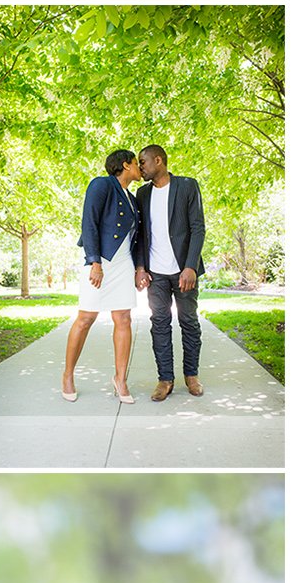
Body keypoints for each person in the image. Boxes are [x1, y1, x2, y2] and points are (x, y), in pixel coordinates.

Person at [62, 149, 142, 404]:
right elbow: (89, 222)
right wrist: (94, 261)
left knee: (124, 318)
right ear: (125, 164)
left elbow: (136, 238)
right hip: (101, 261)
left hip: (123, 263)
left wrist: (139, 268)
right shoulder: (101, 184)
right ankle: (67, 375)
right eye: (137, 163)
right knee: (86, 317)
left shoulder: (133, 198)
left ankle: (120, 379)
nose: (141, 168)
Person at [135, 145, 206, 402]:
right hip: (155, 274)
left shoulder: (187, 186)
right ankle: (165, 379)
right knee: (160, 324)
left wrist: (191, 266)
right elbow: (140, 235)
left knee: (189, 322)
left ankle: (191, 375)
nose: (140, 167)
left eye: (143, 162)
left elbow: (198, 228)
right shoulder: (142, 194)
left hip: (183, 271)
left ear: (159, 160)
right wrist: (140, 267)